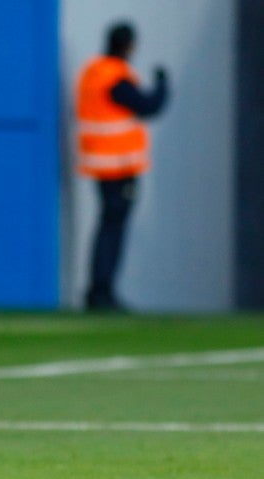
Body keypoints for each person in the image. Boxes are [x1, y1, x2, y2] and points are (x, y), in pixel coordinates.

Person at [75, 21, 169, 311]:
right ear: (129, 45)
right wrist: (163, 84)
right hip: (119, 166)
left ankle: (98, 290)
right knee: (113, 230)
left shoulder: (92, 71)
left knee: (106, 227)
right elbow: (148, 105)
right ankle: (102, 291)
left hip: (99, 163)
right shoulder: (115, 77)